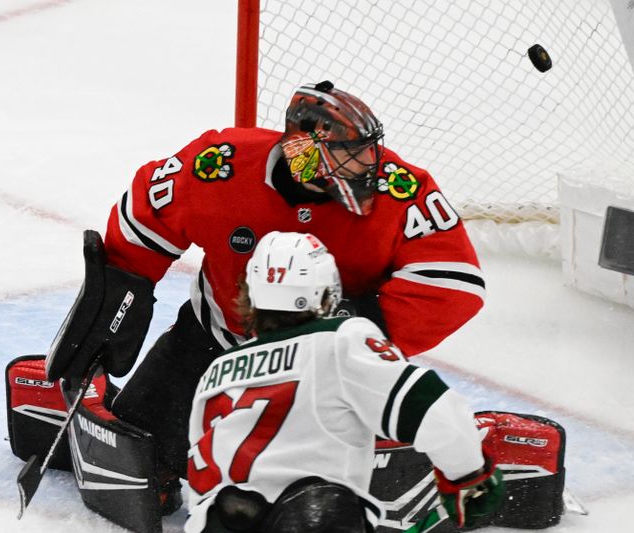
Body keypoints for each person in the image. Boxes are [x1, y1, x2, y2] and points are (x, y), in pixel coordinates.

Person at [50, 80, 486, 512]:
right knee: (142, 446)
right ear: (304, 154)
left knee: (330, 484)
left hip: (335, 365)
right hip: (215, 342)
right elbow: (142, 221)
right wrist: (116, 301)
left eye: (369, 149)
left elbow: (455, 285)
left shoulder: (401, 190)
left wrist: (350, 332)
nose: (370, 163)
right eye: (349, 154)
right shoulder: (218, 166)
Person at [184, 231, 503, 533]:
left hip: (212, 519)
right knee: (327, 502)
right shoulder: (340, 339)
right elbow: (432, 410)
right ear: (323, 293)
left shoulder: (216, 370)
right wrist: (469, 475)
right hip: (309, 516)